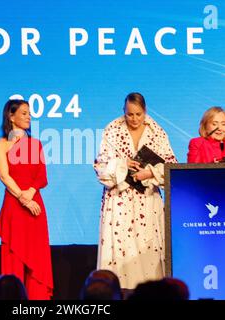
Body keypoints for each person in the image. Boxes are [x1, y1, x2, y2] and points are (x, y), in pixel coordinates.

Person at [93, 92, 177, 290]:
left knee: (148, 253)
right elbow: (100, 167)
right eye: (130, 114)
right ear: (124, 111)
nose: (134, 119)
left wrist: (149, 173)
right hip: (119, 202)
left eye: (138, 114)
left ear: (145, 111)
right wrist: (122, 164)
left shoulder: (157, 131)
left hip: (147, 202)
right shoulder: (112, 130)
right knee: (120, 254)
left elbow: (172, 167)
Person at [0, 99, 53, 300]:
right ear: (11, 116)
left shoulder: (35, 144)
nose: (29, 117)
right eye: (24, 113)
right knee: (13, 260)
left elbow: (41, 176)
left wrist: (31, 192)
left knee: (36, 261)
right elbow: (4, 175)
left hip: (35, 208)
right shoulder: (1, 145)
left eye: (29, 113)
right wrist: (23, 197)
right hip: (15, 206)